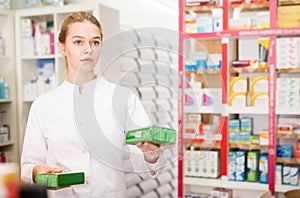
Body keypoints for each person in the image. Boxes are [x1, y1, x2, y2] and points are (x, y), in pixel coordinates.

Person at [21, 11, 172, 197]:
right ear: (62, 47)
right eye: (78, 42)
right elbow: (28, 166)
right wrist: (36, 173)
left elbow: (144, 161)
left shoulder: (123, 98)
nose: (88, 49)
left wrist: (152, 155)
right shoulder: (43, 105)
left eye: (95, 42)